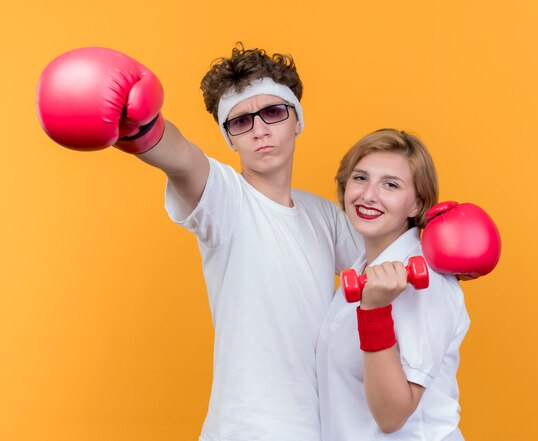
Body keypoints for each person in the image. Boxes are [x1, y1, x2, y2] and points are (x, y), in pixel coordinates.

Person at [36, 44, 362, 441]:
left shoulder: (324, 216)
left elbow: (384, 255)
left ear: (297, 120)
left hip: (321, 428)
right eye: (241, 121)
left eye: (274, 113)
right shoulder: (228, 200)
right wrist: (143, 129)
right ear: (229, 139)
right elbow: (184, 160)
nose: (260, 130)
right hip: (247, 430)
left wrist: (432, 235)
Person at [316, 129, 470, 440]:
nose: (368, 195)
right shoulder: (362, 267)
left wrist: (374, 311)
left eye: (390, 185)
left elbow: (392, 416)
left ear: (417, 205)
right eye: (360, 178)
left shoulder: (428, 281)